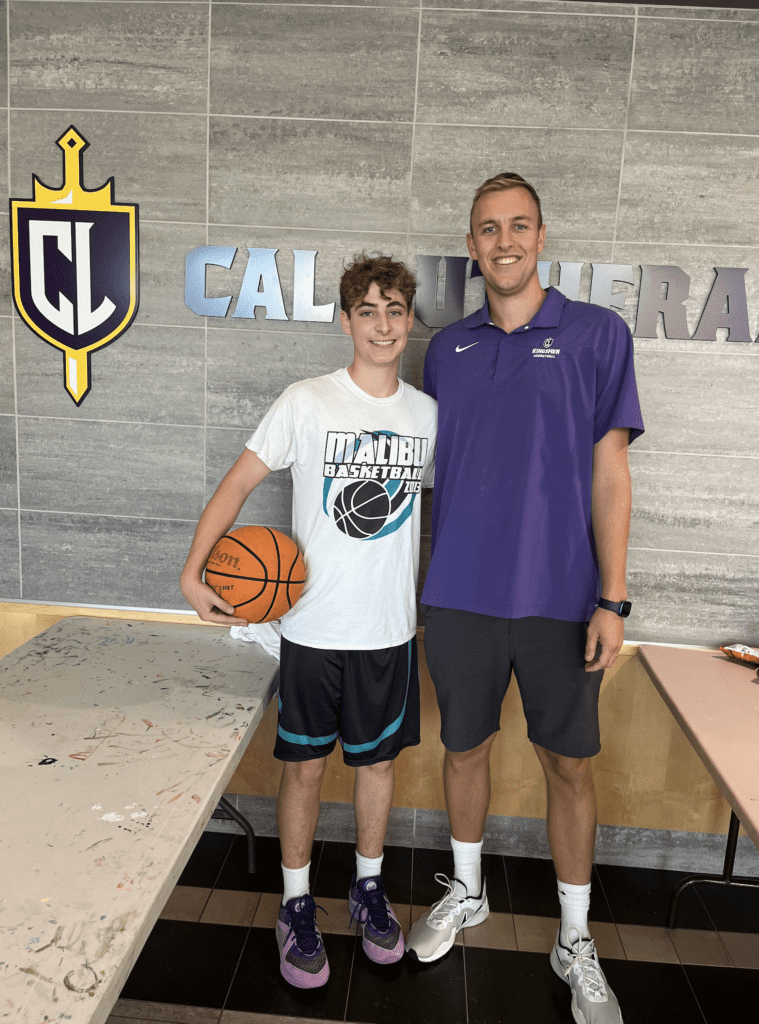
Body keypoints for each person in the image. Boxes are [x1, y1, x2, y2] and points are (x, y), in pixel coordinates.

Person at [405, 174, 643, 1024]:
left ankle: (574, 937)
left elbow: (610, 474)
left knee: (569, 766)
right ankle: (467, 893)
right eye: (486, 229)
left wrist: (613, 599)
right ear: (470, 246)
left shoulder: (596, 334)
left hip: (561, 598)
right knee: (463, 749)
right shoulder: (446, 350)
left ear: (542, 236)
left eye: (517, 226)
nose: (503, 242)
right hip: (461, 593)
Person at [180, 254, 437, 989]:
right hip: (312, 631)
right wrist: (192, 572)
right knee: (302, 768)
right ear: (347, 320)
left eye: (394, 311)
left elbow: (466, 508)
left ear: (410, 320)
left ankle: (366, 888)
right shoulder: (307, 401)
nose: (382, 324)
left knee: (377, 767)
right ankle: (296, 903)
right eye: (368, 311)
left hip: (388, 631)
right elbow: (237, 482)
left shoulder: (427, 415)